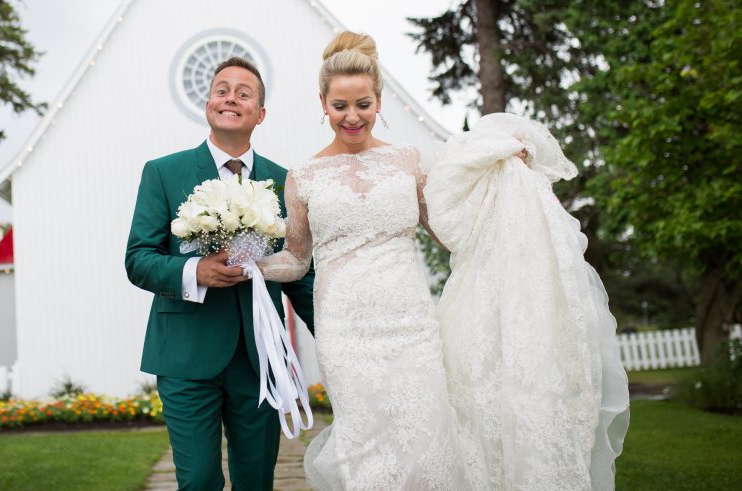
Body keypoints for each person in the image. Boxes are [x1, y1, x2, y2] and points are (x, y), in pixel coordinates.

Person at [257, 32, 473, 490]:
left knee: (426, 436)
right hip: (344, 333)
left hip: (411, 325)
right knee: (366, 446)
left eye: (362, 104)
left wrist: (498, 181)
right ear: (323, 103)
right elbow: (296, 260)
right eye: (340, 106)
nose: (352, 117)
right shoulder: (303, 177)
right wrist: (251, 265)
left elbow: (451, 233)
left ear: (379, 101)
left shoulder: (409, 162)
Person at [125, 56, 316, 491]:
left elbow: (300, 274)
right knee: (197, 481)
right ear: (209, 103)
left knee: (256, 481)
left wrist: (333, 335)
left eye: (243, 93)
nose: (231, 97)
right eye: (222, 89)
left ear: (260, 114)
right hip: (185, 357)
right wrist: (195, 271)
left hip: (260, 358)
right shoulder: (163, 173)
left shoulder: (284, 182)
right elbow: (138, 258)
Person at [425, 112, 630, 490]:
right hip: (486, 314)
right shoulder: (532, 242)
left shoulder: (534, 248)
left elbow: (446, 213)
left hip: (511, 323)